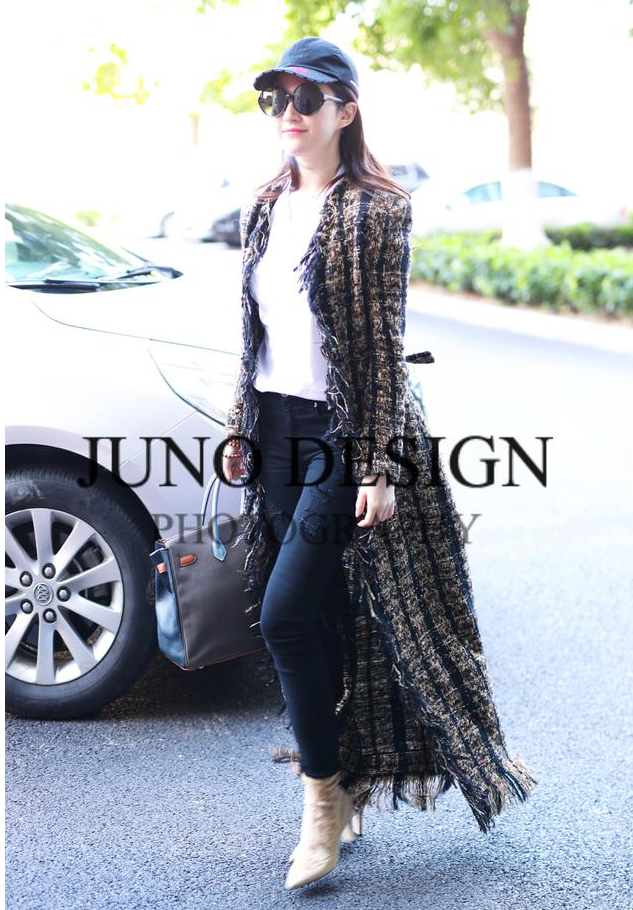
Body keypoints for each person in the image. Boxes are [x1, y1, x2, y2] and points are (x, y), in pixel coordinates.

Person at [222, 36, 537, 892]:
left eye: (305, 98)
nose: (287, 113)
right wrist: (242, 421)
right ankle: (347, 775)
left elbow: (384, 349)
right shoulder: (262, 205)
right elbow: (254, 334)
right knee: (321, 616)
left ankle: (321, 799)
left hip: (343, 433)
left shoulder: (378, 211)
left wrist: (378, 465)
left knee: (283, 615)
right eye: (275, 98)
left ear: (344, 110)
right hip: (276, 429)